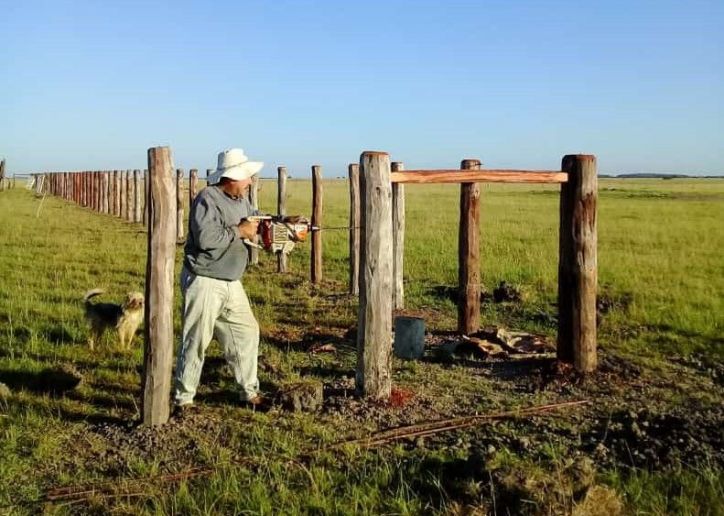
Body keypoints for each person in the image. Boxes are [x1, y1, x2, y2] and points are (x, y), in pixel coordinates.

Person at [173, 148, 265, 411]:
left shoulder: (241, 201)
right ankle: (184, 400)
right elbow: (206, 239)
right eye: (246, 177)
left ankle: (248, 392)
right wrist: (240, 231)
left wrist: (284, 224)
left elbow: (255, 219)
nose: (249, 182)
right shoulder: (207, 199)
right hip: (204, 280)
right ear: (231, 177)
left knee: (246, 332)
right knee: (196, 340)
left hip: (231, 280)